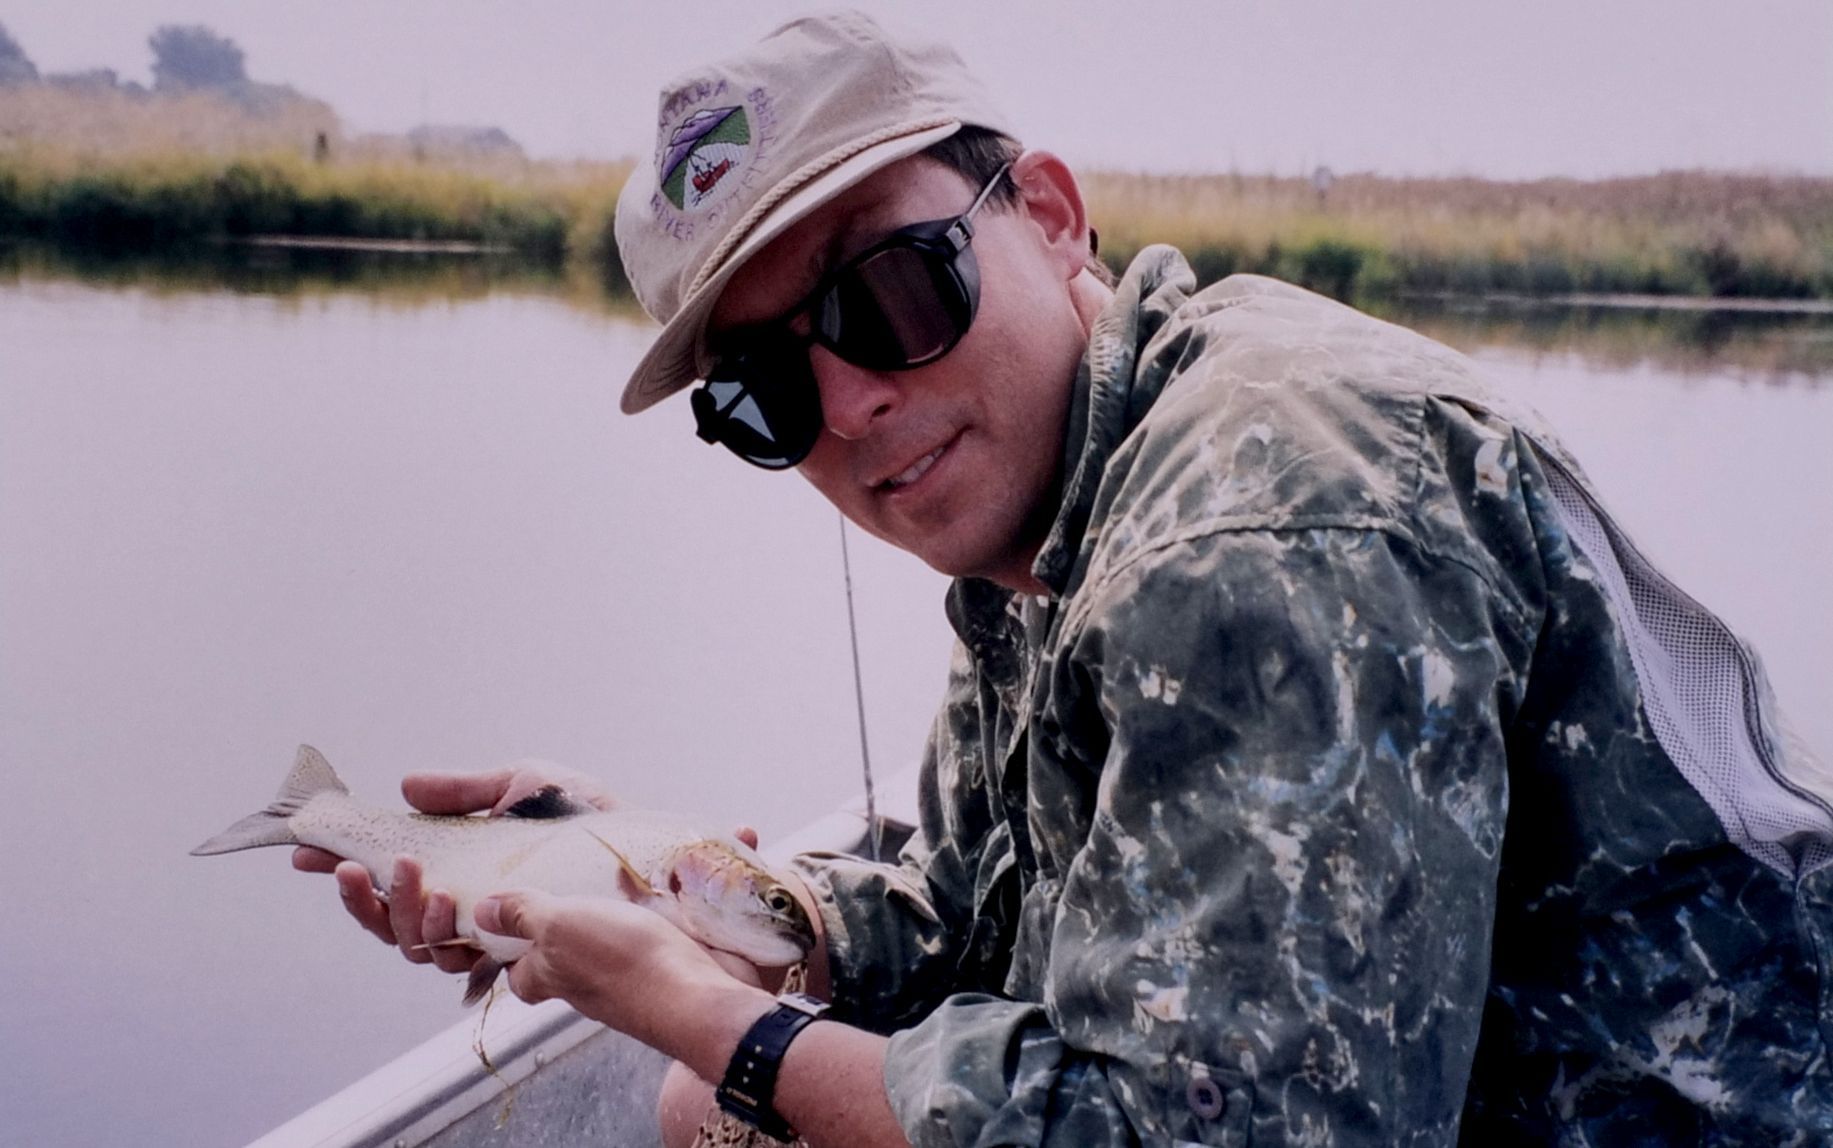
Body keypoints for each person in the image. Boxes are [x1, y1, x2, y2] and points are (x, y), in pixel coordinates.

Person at [297, 11, 1833, 1146]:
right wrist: (683, 890)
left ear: (1045, 211)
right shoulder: (1057, 507)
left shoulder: (1252, 527)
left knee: (720, 1088)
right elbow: (986, 920)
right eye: (761, 392)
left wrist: (707, 1013)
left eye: (888, 293)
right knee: (708, 1105)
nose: (848, 405)